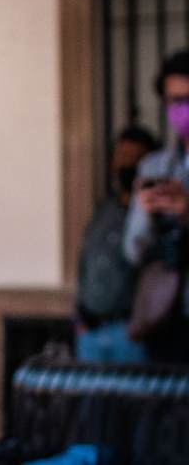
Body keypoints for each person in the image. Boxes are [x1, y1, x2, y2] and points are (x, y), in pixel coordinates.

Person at [125, 50, 189, 362]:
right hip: (164, 317)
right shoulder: (155, 166)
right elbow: (133, 250)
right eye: (174, 101)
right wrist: (146, 215)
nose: (181, 110)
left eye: (187, 99)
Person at [75, 127, 157, 363]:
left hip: (131, 331)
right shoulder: (104, 211)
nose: (126, 164)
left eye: (134, 158)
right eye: (122, 156)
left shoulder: (151, 214)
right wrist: (80, 318)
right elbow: (85, 262)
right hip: (91, 329)